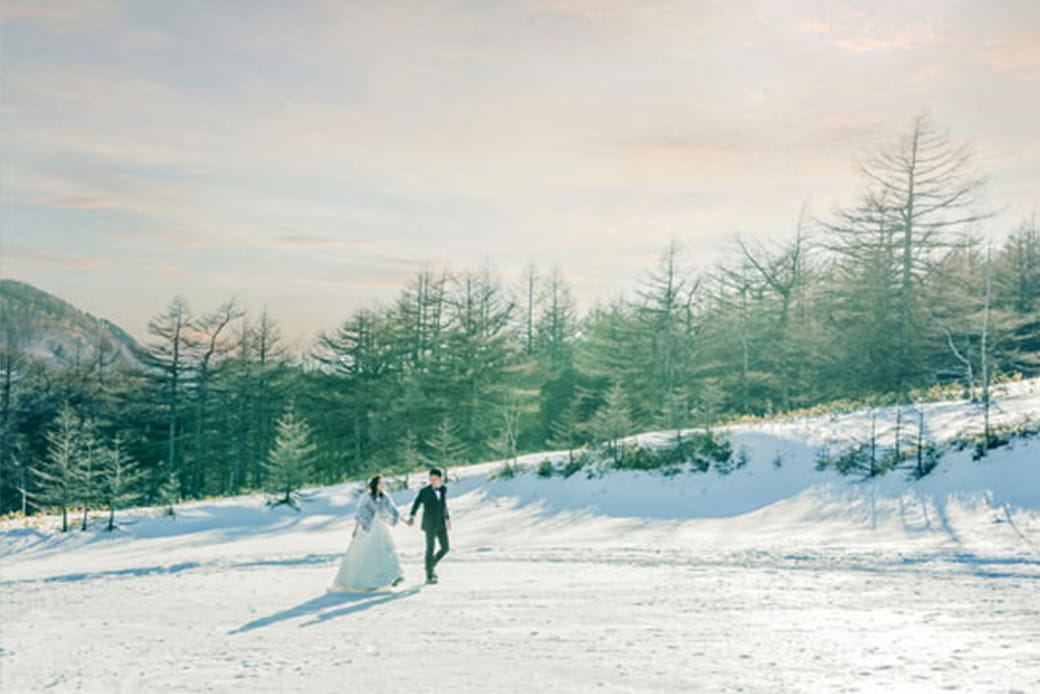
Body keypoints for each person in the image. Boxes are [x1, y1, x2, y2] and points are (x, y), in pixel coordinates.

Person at [329, 475, 404, 593]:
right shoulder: (367, 497)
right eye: (380, 483)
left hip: (381, 527)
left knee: (387, 550)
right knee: (368, 554)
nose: (382, 485)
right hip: (369, 528)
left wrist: (402, 519)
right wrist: (355, 529)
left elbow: (393, 510)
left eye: (382, 483)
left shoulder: (385, 497)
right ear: (375, 485)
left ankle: (393, 576)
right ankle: (367, 581)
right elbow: (360, 514)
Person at [406, 468, 451, 584]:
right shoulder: (424, 491)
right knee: (430, 548)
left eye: (435, 479)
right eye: (431, 479)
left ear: (440, 479)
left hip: (441, 523)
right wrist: (412, 516)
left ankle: (430, 565)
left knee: (445, 548)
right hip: (429, 524)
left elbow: (443, 505)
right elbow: (417, 503)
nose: (432, 481)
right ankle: (429, 575)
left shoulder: (443, 489)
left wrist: (447, 518)